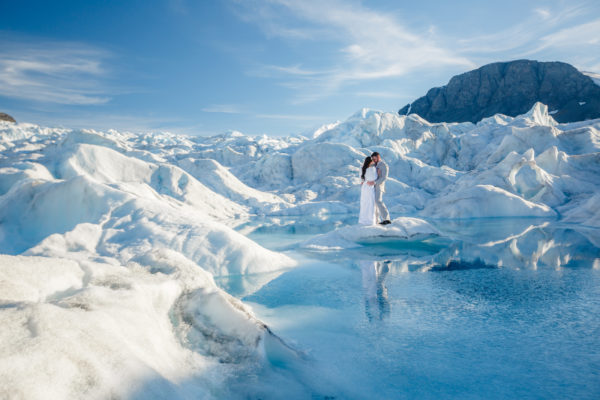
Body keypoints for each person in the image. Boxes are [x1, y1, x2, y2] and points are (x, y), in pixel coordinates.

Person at [367, 152, 391, 225]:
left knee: (378, 201)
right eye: (373, 159)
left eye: (375, 158)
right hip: (373, 187)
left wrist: (374, 182)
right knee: (374, 203)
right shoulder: (374, 165)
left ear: (378, 157)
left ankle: (387, 219)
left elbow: (384, 178)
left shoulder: (383, 165)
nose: (374, 160)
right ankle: (376, 220)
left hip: (379, 186)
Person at [358, 156, 377, 225]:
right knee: (370, 203)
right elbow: (375, 177)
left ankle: (363, 220)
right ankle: (370, 221)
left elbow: (361, 179)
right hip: (370, 187)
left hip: (364, 187)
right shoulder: (372, 169)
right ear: (370, 161)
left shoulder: (361, 168)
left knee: (364, 203)